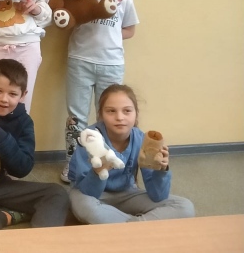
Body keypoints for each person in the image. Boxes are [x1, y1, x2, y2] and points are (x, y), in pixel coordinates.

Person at [61, 0, 139, 183]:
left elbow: (130, 30)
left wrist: (111, 36)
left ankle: (106, 161)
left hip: (111, 65)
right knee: (76, 117)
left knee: (107, 115)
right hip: (80, 61)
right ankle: (73, 163)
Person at [0, 59, 69, 231]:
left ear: (23, 95)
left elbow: (23, 168)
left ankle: (40, 242)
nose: (4, 99)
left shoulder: (24, 122)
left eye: (12, 94)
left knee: (57, 194)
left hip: (1, 186)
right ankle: (3, 216)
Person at [67, 84, 195, 224]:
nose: (119, 117)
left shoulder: (141, 139)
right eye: (111, 111)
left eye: (127, 111)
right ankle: (136, 226)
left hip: (127, 194)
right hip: (93, 196)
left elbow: (158, 195)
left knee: (184, 207)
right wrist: (97, 172)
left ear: (136, 114)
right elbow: (88, 192)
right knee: (85, 206)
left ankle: (128, 225)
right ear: (101, 114)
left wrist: (161, 170)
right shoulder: (89, 138)